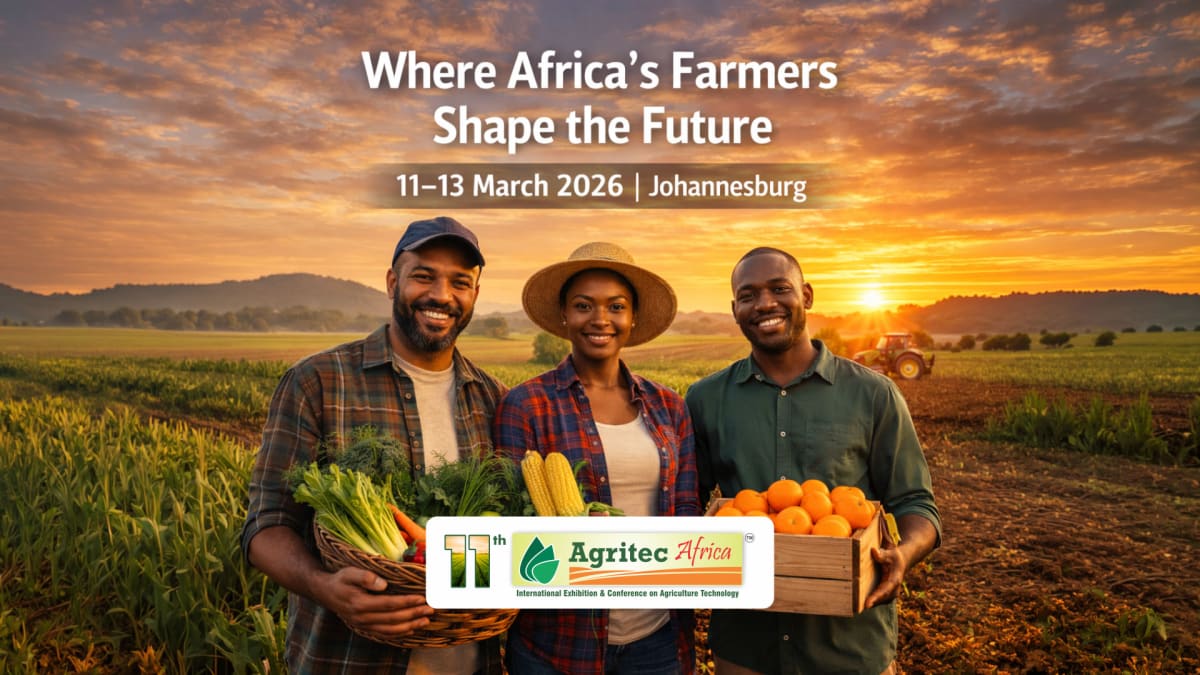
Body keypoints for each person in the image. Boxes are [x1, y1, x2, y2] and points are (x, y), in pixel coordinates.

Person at [241, 216, 507, 674]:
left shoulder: (494, 398)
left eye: (459, 282)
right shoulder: (318, 382)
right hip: (347, 660)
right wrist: (324, 586)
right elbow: (264, 527)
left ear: (474, 296)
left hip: (470, 661)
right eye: (424, 275)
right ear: (391, 282)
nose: (441, 295)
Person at [685, 247, 941, 675]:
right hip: (746, 648)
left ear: (806, 295)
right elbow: (687, 502)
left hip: (849, 647)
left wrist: (905, 553)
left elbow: (916, 502)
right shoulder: (706, 399)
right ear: (735, 311)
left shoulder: (873, 394)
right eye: (748, 295)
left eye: (779, 289)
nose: (764, 303)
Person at [494, 242, 701, 675]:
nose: (600, 319)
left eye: (617, 306)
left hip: (657, 638)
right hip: (557, 643)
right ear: (565, 316)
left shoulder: (669, 407)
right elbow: (509, 523)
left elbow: (685, 512)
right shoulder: (526, 404)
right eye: (584, 305)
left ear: (633, 318)